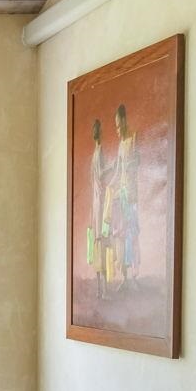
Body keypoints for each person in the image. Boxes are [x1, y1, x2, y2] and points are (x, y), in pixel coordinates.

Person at [110, 103, 141, 290]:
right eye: (115, 127)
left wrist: (129, 168)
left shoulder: (134, 139)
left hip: (132, 196)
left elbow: (137, 164)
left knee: (132, 235)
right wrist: (110, 187)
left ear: (124, 121)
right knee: (121, 237)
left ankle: (134, 276)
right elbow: (118, 171)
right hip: (121, 196)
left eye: (118, 126)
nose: (117, 130)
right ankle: (124, 277)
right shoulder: (121, 145)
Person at [85, 116, 110, 297]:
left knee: (99, 241)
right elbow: (100, 175)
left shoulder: (96, 153)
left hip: (98, 200)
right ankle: (102, 289)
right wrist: (112, 167)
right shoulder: (98, 152)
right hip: (98, 200)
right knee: (100, 241)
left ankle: (101, 288)